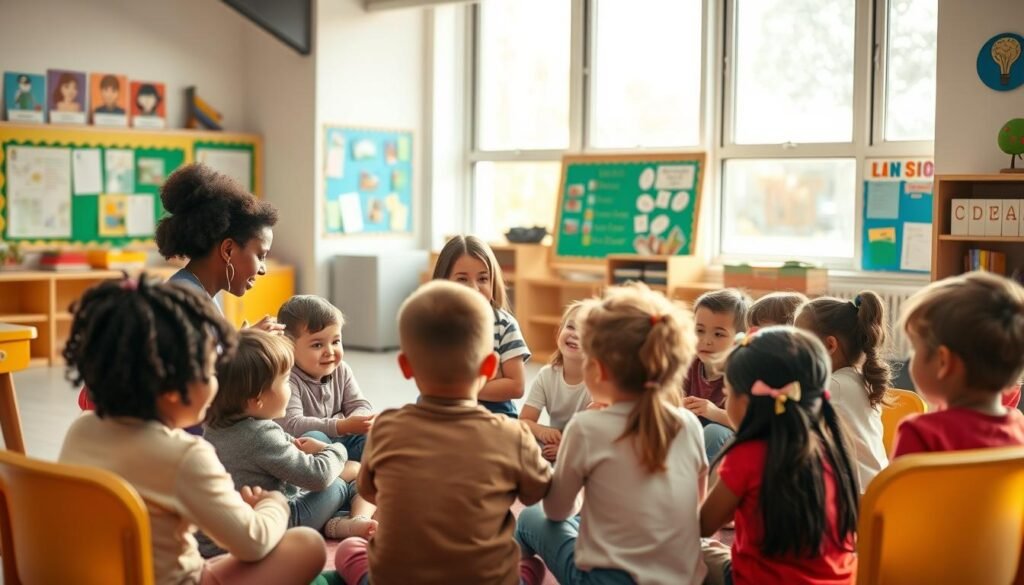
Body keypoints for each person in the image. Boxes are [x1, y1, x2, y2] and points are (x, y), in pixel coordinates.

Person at [58, 276, 325, 585]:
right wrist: (273, 504)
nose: (217, 382)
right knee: (307, 545)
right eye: (212, 370)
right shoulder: (186, 456)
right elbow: (252, 543)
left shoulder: (80, 430)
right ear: (174, 390)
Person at [334, 281, 551, 585]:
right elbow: (539, 491)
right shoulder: (511, 434)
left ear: (405, 366)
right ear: (489, 366)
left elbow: (369, 491)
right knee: (531, 567)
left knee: (350, 549)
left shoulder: (387, 428)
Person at [516, 283, 708, 585]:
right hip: (683, 577)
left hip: (606, 579)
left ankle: (523, 574)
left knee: (530, 518)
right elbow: (693, 509)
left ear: (598, 370)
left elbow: (557, 511)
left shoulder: (586, 427)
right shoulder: (689, 423)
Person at [77, 163, 284, 416]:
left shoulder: (192, 290)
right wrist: (245, 345)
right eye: (260, 255)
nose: (262, 269)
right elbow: (198, 385)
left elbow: (203, 358)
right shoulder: (187, 301)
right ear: (228, 250)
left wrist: (241, 340)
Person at [700, 327, 859, 585]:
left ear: (748, 402)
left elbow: (704, 525)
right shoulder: (831, 447)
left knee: (696, 550)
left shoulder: (748, 454)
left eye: (727, 395)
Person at [200, 329, 377, 558]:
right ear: (257, 399)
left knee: (339, 466)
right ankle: (347, 518)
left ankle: (343, 520)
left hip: (234, 527)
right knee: (340, 483)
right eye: (285, 382)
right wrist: (336, 450)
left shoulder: (217, 425)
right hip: (277, 522)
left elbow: (280, 450)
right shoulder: (260, 434)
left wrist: (309, 448)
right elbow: (318, 477)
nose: (290, 389)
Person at [893, 272, 1024, 457]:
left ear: (943, 362)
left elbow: (898, 487)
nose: (911, 357)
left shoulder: (919, 433)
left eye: (915, 348)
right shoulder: (1020, 429)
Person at [795, 292, 890, 490]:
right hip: (874, 494)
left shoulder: (834, 387)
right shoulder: (859, 380)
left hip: (854, 502)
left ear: (830, 345)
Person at [432, 235, 529, 417]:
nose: (474, 288)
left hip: (494, 414)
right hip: (444, 411)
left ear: (492, 282)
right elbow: (430, 379)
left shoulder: (504, 325)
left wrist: (460, 388)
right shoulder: (435, 324)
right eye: (462, 279)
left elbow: (516, 386)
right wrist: (491, 379)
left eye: (483, 279)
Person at [276, 295, 375, 465]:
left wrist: (361, 421)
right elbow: (293, 425)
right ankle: (346, 473)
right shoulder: (287, 378)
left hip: (342, 443)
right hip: (312, 449)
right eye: (317, 345)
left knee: (377, 436)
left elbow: (360, 405)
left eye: (336, 341)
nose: (330, 351)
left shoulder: (341, 370)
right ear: (289, 347)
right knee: (311, 437)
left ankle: (354, 472)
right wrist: (342, 426)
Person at [683, 288, 750, 461]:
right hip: (693, 435)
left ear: (739, 339)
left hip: (727, 436)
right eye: (699, 330)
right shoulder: (689, 362)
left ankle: (703, 485)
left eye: (718, 334)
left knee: (713, 432)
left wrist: (713, 412)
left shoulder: (742, 371)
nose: (706, 340)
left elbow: (749, 423)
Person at [520, 302, 590, 461]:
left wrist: (566, 448)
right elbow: (524, 421)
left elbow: (597, 434)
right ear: (559, 333)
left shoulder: (598, 384)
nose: (575, 334)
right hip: (555, 443)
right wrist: (542, 431)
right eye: (571, 327)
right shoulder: (546, 375)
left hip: (586, 444)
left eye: (585, 331)